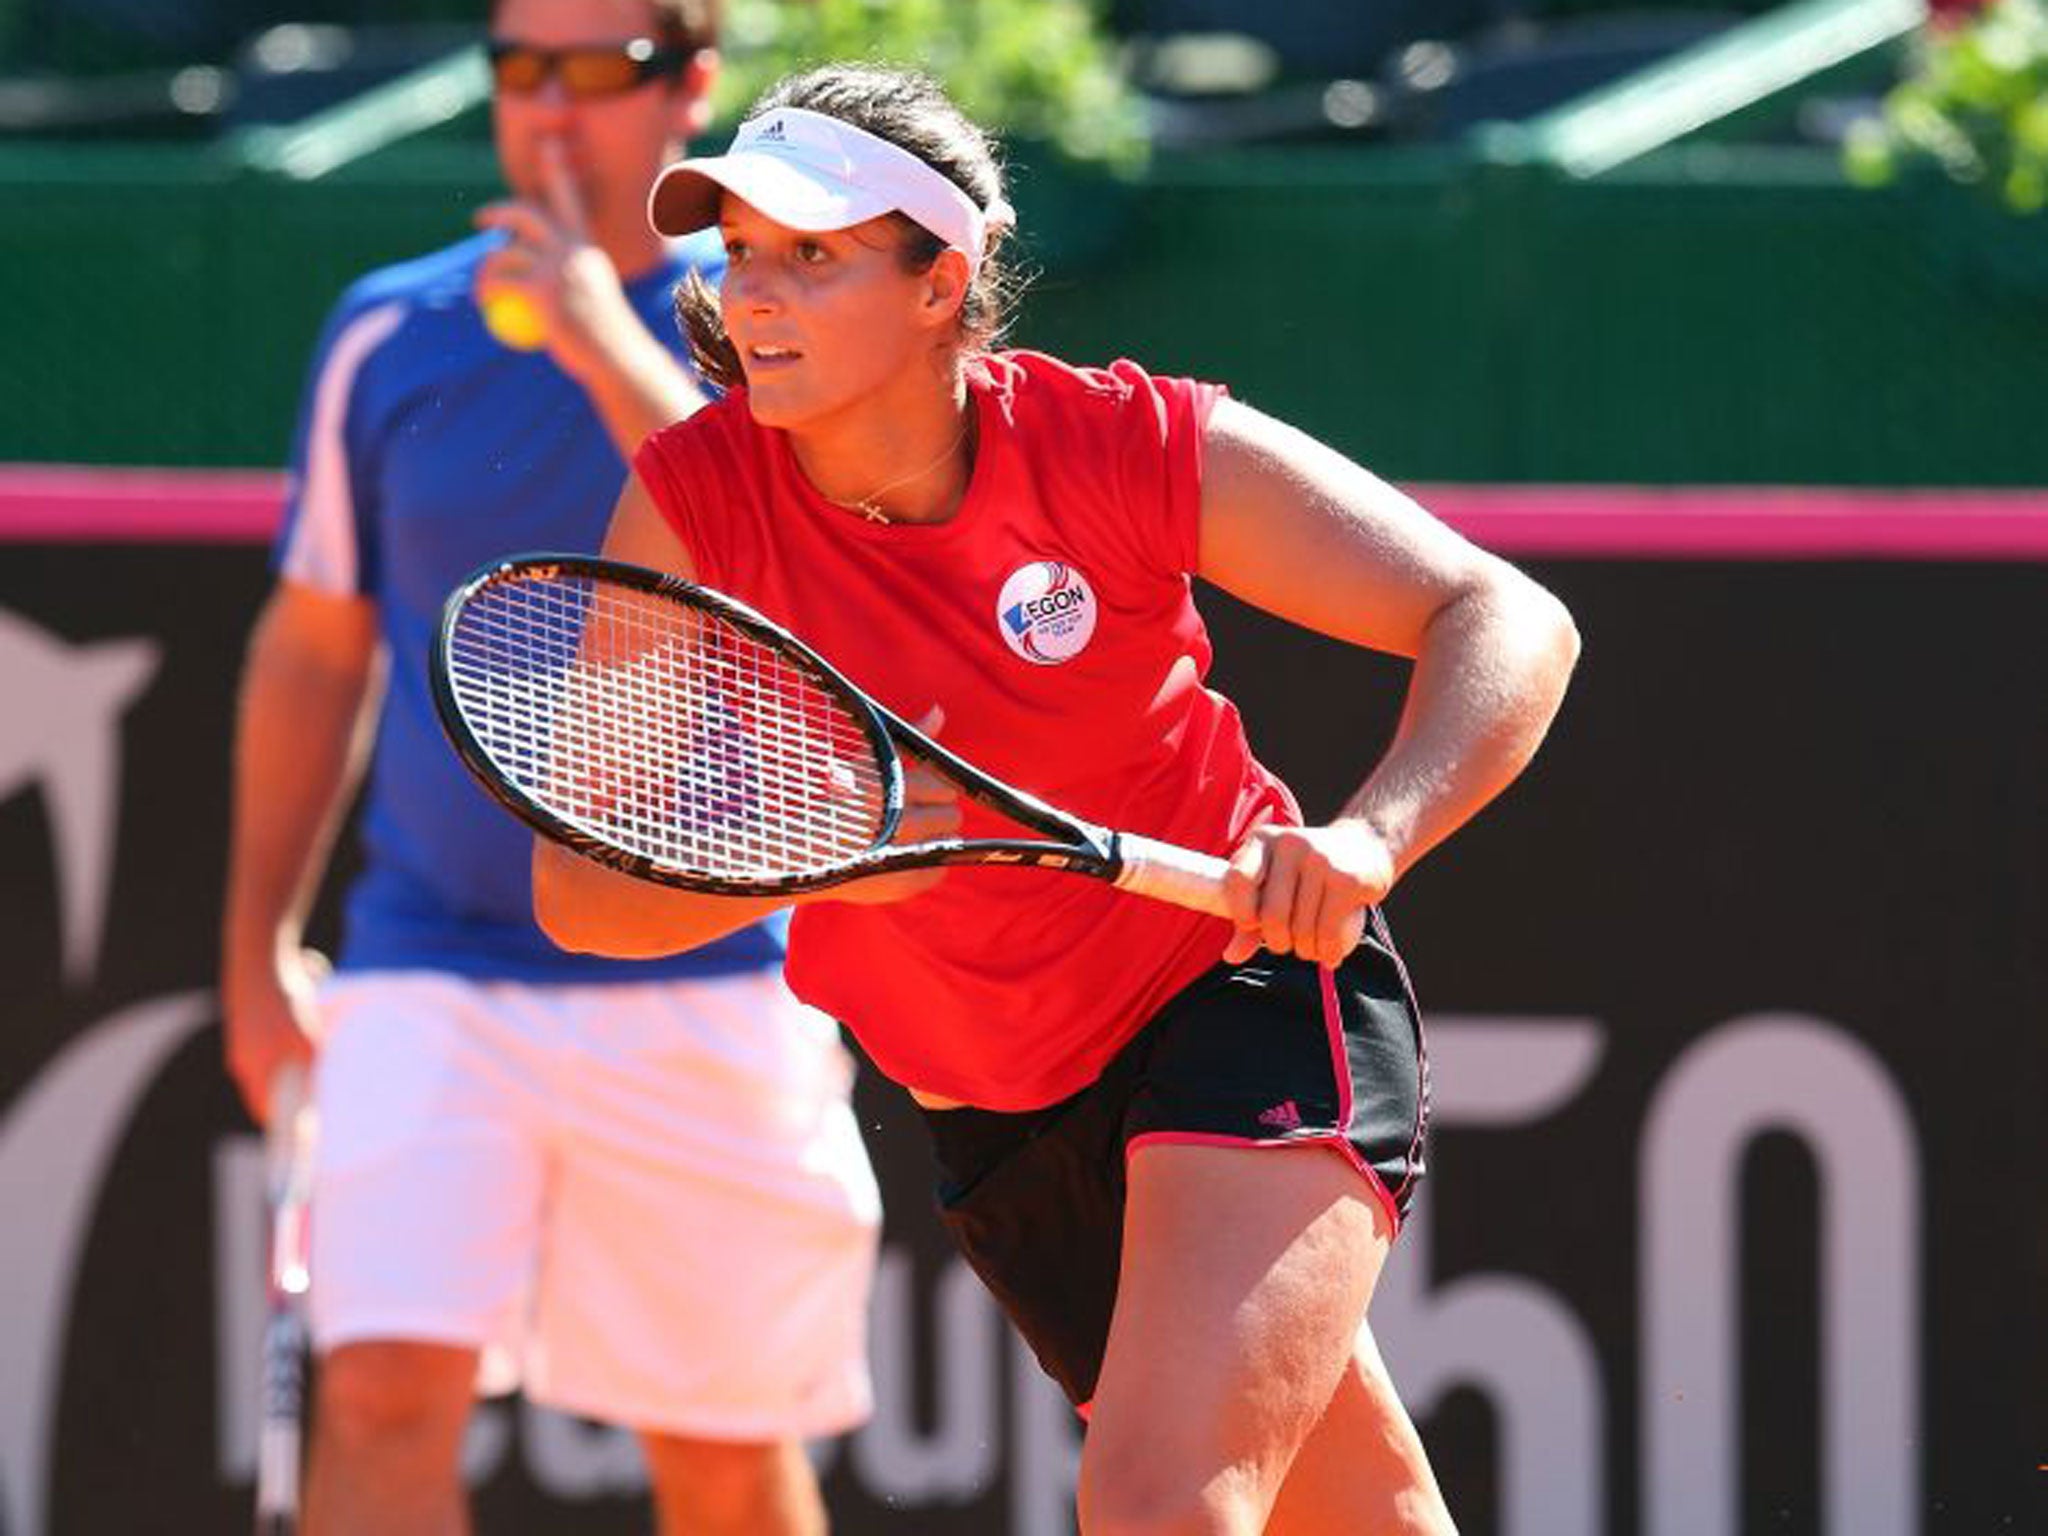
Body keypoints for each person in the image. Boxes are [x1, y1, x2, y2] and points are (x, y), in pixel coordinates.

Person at [535, 64, 1579, 1536]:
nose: (755, 294)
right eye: (743, 252)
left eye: (813, 256)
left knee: (1160, 1510)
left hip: (1232, 997)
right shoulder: (692, 501)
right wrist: (822, 864)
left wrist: (1370, 835)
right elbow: (577, 894)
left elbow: (1504, 615)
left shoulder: (1116, 443)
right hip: (1000, 1126)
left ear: (938, 282)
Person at [218, 7, 880, 1534]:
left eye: (603, 71)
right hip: (424, 969)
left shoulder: (773, 323)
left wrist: (599, 338)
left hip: (713, 964)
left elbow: (780, 563)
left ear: (691, 89)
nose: (555, 114)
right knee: (378, 1404)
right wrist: (259, 948)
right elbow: (315, 650)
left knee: (719, 1454)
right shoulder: (387, 330)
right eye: (524, 71)